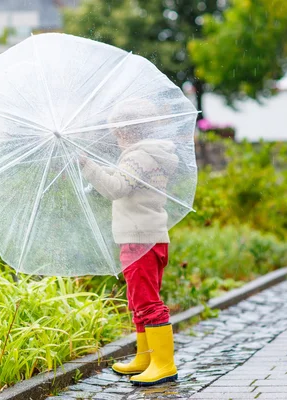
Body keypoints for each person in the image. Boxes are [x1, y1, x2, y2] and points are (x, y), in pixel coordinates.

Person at [79, 98, 179, 386]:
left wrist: (87, 165)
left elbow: (116, 189)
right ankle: (146, 357)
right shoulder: (146, 154)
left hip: (140, 239)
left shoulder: (139, 156)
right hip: (146, 236)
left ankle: (164, 364)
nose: (116, 137)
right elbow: (127, 185)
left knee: (147, 301)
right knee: (138, 300)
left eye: (117, 132)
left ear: (126, 131)